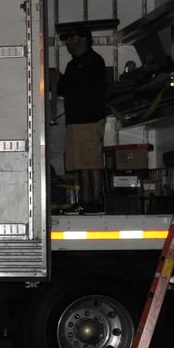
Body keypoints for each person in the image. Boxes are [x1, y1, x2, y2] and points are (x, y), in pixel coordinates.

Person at [56, 24, 109, 212]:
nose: (68, 43)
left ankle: (95, 200)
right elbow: (64, 88)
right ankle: (85, 200)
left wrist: (62, 79)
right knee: (80, 162)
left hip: (90, 120)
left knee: (91, 162)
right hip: (76, 121)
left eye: (71, 38)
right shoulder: (72, 65)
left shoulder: (94, 61)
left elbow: (81, 87)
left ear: (84, 39)